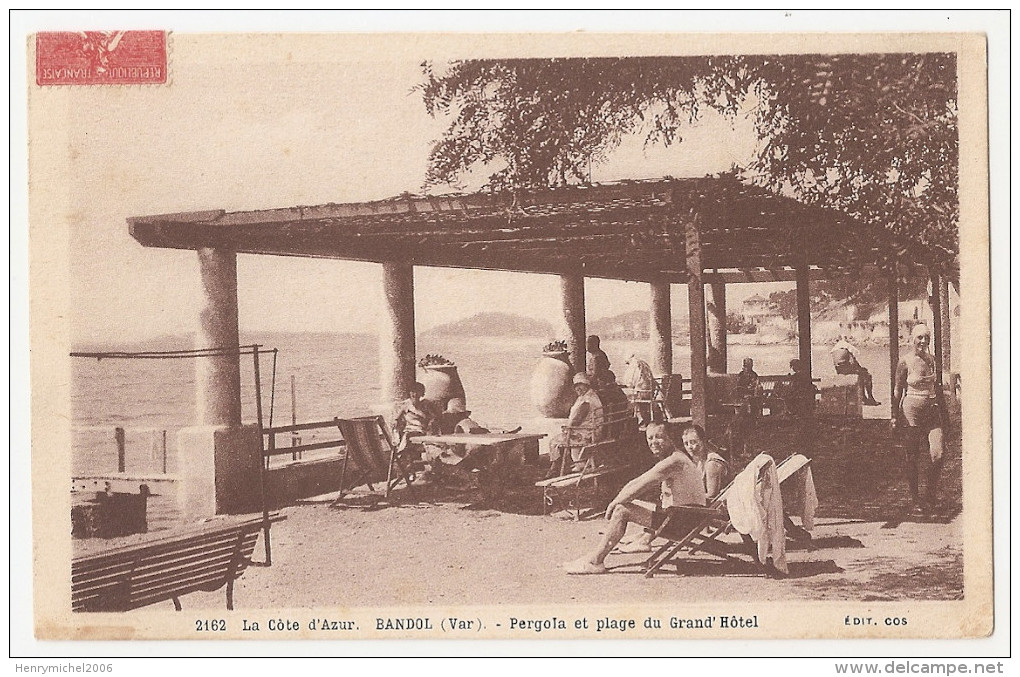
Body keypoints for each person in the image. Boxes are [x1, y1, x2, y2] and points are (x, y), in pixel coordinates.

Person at [562, 423, 729, 572]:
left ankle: (595, 561)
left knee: (622, 510)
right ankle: (632, 544)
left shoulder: (675, 461)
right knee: (628, 504)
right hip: (686, 516)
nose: (653, 442)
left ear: (670, 439)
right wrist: (617, 499)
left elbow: (640, 485)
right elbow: (637, 481)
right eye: (650, 438)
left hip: (685, 521)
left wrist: (615, 503)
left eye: (659, 437)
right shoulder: (676, 458)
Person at [894, 323, 946, 512]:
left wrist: (945, 415)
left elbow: (937, 388)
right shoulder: (905, 361)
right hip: (911, 412)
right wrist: (895, 417)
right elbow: (898, 389)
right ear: (912, 340)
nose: (923, 341)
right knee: (912, 457)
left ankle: (930, 494)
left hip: (931, 410)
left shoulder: (932, 360)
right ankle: (915, 499)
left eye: (926, 337)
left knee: (938, 455)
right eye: (919, 338)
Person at [546, 373, 603, 478]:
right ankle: (573, 464)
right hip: (591, 430)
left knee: (554, 442)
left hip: (586, 433)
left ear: (587, 385)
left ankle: (554, 469)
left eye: (581, 385)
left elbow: (577, 420)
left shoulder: (586, 401)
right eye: (576, 386)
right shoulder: (590, 396)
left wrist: (568, 427)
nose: (578, 388)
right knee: (561, 438)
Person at [831, 336, 881, 405]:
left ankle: (863, 398)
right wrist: (860, 368)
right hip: (848, 369)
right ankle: (870, 398)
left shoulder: (835, 350)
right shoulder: (847, 348)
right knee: (867, 376)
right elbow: (852, 362)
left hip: (840, 371)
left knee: (861, 374)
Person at [393, 382, 440, 455]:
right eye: (412, 392)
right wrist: (396, 423)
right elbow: (397, 418)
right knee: (407, 435)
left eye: (417, 392)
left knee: (410, 435)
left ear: (421, 393)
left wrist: (431, 422)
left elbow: (434, 417)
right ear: (409, 392)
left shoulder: (425, 404)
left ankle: (402, 453)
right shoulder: (405, 404)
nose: (415, 394)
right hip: (410, 429)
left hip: (422, 429)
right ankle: (401, 452)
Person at [622, 354, 656, 423]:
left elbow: (630, 382)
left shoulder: (634, 365)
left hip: (643, 392)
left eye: (627, 363)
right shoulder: (643, 363)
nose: (627, 365)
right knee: (633, 395)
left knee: (626, 397)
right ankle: (640, 416)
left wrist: (627, 385)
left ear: (629, 359)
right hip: (651, 391)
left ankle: (638, 417)